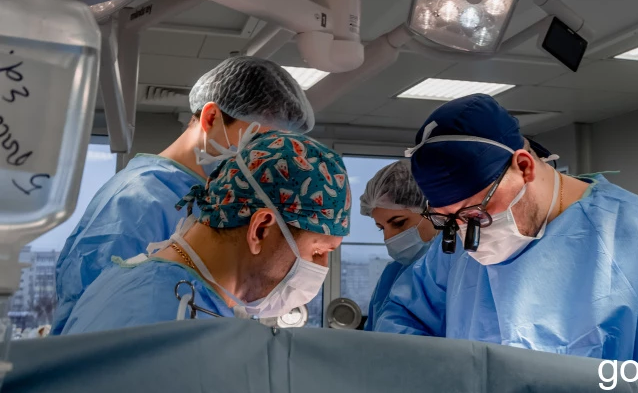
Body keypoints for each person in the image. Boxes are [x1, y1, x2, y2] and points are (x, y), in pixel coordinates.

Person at [374, 94, 638, 371]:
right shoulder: (454, 250)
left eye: (476, 212)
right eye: (448, 219)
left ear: (524, 167)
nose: (466, 233)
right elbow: (403, 320)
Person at [52, 57, 314, 335]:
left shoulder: (211, 198)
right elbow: (102, 322)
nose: (263, 159)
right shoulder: (139, 200)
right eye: (256, 142)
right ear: (211, 118)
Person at [61, 128, 351, 334]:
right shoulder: (168, 319)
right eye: (318, 251)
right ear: (261, 229)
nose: (322, 268)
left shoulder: (148, 282)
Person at [359, 161, 437, 331]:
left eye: (399, 223)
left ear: (435, 211)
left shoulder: (459, 270)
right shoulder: (392, 275)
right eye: (381, 228)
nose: (389, 238)